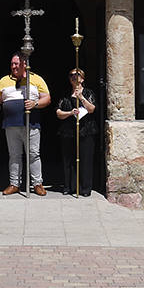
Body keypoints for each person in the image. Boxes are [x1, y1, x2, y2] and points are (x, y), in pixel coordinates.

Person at [0, 51, 51, 196]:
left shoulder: (36, 79)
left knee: (34, 154)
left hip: (31, 124)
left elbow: (47, 98)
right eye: (12, 64)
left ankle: (37, 183)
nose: (13, 66)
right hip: (11, 125)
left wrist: (35, 103)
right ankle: (14, 183)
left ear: (25, 64)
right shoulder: (4, 81)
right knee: (14, 155)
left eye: (16, 64)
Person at [56, 68, 97, 196]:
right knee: (69, 159)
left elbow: (92, 109)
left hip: (86, 130)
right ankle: (69, 186)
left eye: (77, 75)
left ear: (82, 78)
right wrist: (70, 113)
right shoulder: (65, 94)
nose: (74, 77)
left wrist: (81, 98)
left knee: (85, 159)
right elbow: (58, 112)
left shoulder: (89, 92)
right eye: (71, 75)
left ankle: (85, 188)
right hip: (69, 131)